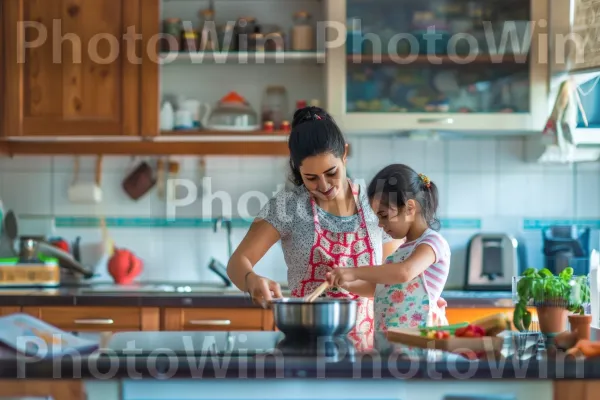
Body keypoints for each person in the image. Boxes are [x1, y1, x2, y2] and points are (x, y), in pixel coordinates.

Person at [226, 106, 402, 348]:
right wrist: (250, 279)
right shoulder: (286, 206)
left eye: (332, 173)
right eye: (311, 178)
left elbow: (392, 280)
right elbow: (237, 261)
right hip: (304, 345)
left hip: (368, 345)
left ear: (344, 155)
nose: (324, 185)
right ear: (297, 169)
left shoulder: (376, 203)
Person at [326, 164, 451, 331]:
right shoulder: (402, 250)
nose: (380, 224)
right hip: (390, 341)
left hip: (420, 342)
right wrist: (344, 282)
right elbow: (377, 287)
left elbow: (404, 273)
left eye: (383, 215)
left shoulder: (432, 243)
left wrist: (353, 271)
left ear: (410, 208)